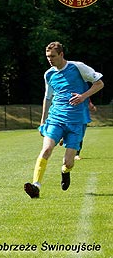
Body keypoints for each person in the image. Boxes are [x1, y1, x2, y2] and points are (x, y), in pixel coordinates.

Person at [24, 41, 104, 198]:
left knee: (69, 162)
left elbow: (99, 83)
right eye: (47, 57)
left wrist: (83, 97)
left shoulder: (78, 67)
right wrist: (43, 121)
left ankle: (65, 172)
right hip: (55, 118)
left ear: (61, 54)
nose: (50, 59)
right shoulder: (49, 74)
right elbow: (47, 98)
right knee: (46, 149)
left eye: (53, 56)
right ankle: (36, 186)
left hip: (76, 121)